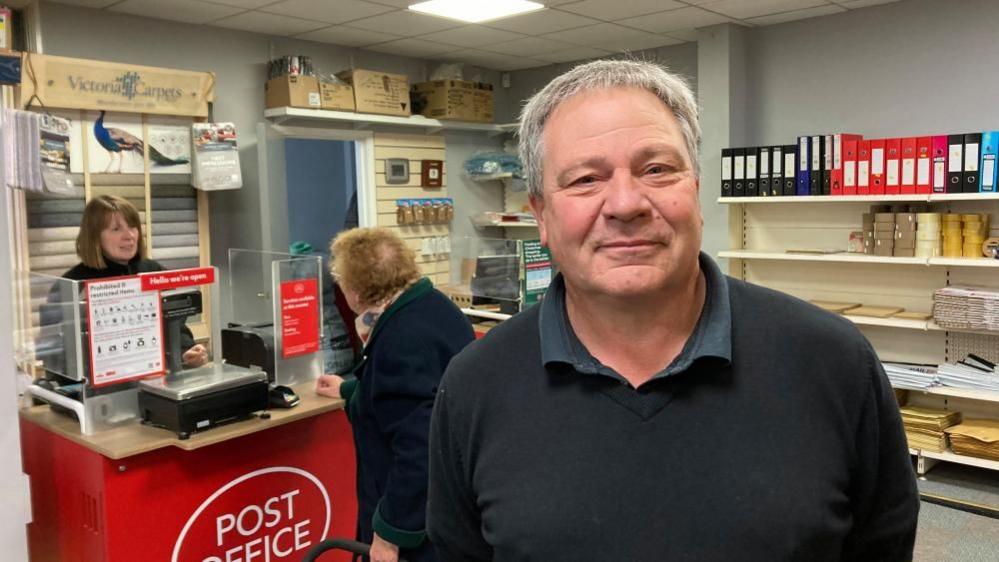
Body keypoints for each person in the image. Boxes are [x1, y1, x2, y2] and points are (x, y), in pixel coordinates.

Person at [426, 59, 919, 561]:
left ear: (697, 191)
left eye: (657, 169)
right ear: (541, 217)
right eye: (584, 180)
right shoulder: (474, 386)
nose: (625, 203)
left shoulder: (833, 362)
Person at [315, 227, 474, 562]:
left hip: (420, 529)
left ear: (356, 290)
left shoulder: (401, 339)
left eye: (338, 278)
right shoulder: (433, 307)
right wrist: (349, 390)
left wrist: (390, 533)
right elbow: (420, 394)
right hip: (455, 504)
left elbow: (419, 447)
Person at [62, 194, 207, 369]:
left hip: (153, 381)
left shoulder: (153, 272)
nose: (129, 235)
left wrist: (186, 351)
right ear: (94, 236)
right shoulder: (72, 284)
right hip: (101, 389)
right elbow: (62, 354)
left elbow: (173, 326)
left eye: (132, 227)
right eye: (116, 229)